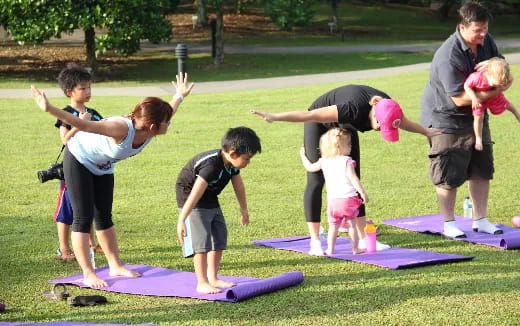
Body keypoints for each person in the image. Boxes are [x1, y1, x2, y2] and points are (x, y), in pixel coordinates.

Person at [31, 73, 195, 288]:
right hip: (79, 158)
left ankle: (115, 265)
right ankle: (88, 273)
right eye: (166, 123)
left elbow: (169, 110)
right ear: (153, 126)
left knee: (104, 216)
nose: (169, 124)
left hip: (103, 166)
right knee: (83, 216)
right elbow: (82, 124)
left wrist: (179, 95)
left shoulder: (150, 127)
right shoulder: (120, 128)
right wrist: (49, 108)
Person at [251, 85, 439, 255]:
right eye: (380, 127)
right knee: (316, 179)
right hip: (318, 122)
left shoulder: (388, 106)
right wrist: (274, 117)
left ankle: (364, 238)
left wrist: (426, 131)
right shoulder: (353, 108)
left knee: (354, 176)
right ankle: (315, 241)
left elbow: (403, 123)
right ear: (374, 116)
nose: (380, 131)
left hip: (344, 126)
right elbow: (310, 116)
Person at [420, 1, 508, 238]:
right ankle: (449, 223)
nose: (483, 35)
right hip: (446, 117)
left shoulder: (485, 41)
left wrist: (492, 64)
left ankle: (481, 219)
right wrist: (497, 92)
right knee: (448, 172)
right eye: (477, 30)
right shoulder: (448, 55)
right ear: (462, 26)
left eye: (485, 29)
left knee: (482, 167)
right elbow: (459, 98)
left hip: (477, 115)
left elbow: (501, 64)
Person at [176, 127, 261, 294]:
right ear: (233, 153)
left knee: (219, 236)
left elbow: (239, 186)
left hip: (209, 195)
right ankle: (202, 282)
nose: (248, 163)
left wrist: (244, 210)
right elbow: (196, 192)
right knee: (202, 242)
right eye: (246, 159)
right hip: (191, 196)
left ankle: (213, 278)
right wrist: (182, 219)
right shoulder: (211, 165)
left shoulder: (231, 164)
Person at [53, 65, 104, 261]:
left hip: (92, 165)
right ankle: (64, 248)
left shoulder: (93, 112)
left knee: (87, 205)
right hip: (72, 168)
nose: (88, 91)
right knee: (67, 209)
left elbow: (103, 128)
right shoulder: (66, 113)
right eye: (83, 88)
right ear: (69, 92)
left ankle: (91, 243)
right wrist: (79, 123)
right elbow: (65, 140)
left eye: (89, 87)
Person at [300, 128, 368, 255]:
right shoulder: (347, 161)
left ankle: (330, 249)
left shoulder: (324, 161)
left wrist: (303, 155)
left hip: (333, 202)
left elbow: (309, 167)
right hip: (348, 200)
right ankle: (355, 248)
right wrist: (362, 193)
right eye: (348, 144)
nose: (351, 147)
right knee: (352, 225)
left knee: (333, 227)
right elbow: (354, 179)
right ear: (338, 147)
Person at [464, 57, 520, 151]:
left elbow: (511, 79)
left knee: (508, 105)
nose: (497, 85)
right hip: (479, 99)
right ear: (487, 73)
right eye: (495, 83)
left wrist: (502, 88)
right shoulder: (476, 78)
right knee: (478, 117)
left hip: (494, 96)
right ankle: (478, 139)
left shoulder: (501, 77)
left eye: (500, 83)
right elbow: (467, 86)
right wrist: (474, 98)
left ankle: (518, 114)